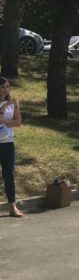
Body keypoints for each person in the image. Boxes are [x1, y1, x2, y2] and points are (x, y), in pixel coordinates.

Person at [0, 77, 24, 217]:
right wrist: (4, 107)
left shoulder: (14, 104)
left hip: (8, 144)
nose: (6, 89)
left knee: (9, 174)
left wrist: (7, 121)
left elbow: (18, 122)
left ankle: (12, 206)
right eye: (3, 87)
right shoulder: (8, 104)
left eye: (8, 86)